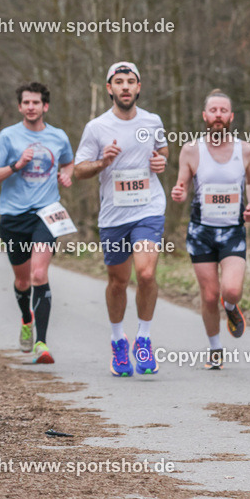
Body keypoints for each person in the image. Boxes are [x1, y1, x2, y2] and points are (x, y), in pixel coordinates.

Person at [73, 62, 168, 377]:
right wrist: (103, 162)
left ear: (139, 87)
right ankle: (118, 341)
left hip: (148, 208)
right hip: (114, 214)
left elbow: (163, 151)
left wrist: (160, 160)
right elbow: (79, 169)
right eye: (119, 81)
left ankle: (143, 338)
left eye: (131, 81)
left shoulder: (152, 121)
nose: (125, 87)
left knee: (146, 273)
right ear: (109, 89)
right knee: (118, 281)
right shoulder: (97, 127)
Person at [0, 82, 74, 364]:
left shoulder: (58, 137)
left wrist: (67, 175)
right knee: (23, 280)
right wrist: (16, 165)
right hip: (13, 217)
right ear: (20, 106)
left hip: (46, 214)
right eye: (26, 103)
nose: (31, 107)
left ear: (45, 106)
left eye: (36, 102)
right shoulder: (8, 137)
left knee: (38, 275)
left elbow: (69, 162)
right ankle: (26, 319)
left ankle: (41, 344)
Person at [171, 89, 250, 370]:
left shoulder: (244, 149)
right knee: (209, 295)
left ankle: (231, 308)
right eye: (213, 111)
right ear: (205, 116)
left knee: (230, 290)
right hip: (201, 232)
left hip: (232, 230)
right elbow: (181, 185)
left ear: (231, 116)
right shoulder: (190, 149)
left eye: (223, 111)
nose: (218, 115)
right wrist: (178, 193)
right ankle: (215, 349)